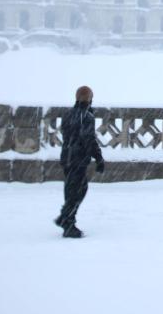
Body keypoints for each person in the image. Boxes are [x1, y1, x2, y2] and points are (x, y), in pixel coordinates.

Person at [54, 85, 105, 238]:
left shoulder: (68, 115)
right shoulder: (87, 117)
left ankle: (65, 218)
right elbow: (89, 140)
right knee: (79, 190)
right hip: (78, 159)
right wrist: (99, 158)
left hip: (67, 158)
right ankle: (67, 221)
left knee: (71, 189)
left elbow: (68, 135)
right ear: (90, 99)